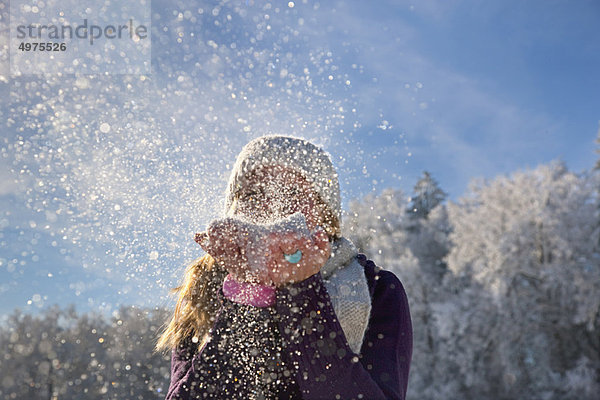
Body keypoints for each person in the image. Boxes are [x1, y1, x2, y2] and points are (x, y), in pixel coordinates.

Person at [156, 135, 412, 399]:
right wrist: (248, 292)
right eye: (253, 193)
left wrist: (301, 289)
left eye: (291, 193)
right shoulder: (205, 290)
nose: (271, 206)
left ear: (325, 217)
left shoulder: (376, 288)